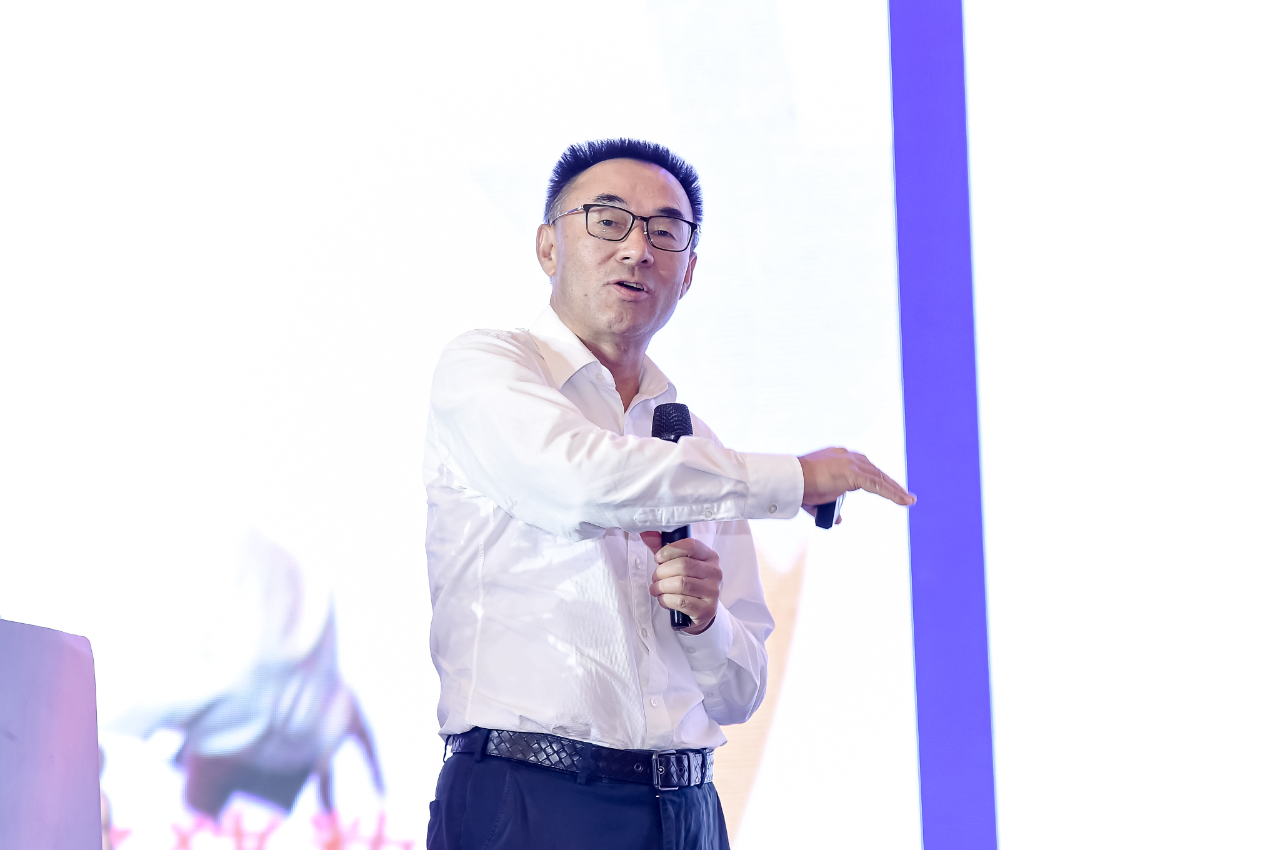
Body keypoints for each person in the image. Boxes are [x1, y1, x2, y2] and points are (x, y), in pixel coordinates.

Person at [422, 139, 914, 850]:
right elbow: (580, 483)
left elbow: (739, 694)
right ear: (548, 246)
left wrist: (705, 622)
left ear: (688, 275)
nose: (637, 250)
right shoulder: (488, 368)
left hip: (686, 809)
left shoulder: (693, 443)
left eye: (665, 231)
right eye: (608, 221)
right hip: (529, 798)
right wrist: (797, 478)